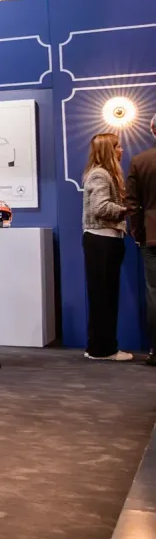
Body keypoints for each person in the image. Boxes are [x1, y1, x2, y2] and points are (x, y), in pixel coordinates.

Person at [82, 133, 132, 361]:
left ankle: (98, 347)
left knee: (103, 296)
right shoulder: (100, 175)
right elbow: (100, 208)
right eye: (118, 146)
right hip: (102, 241)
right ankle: (104, 350)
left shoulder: (100, 174)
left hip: (103, 241)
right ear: (108, 150)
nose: (122, 150)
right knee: (104, 297)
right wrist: (126, 210)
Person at [127, 115, 156, 367]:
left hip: (152, 236)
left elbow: (133, 204)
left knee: (154, 293)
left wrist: (137, 232)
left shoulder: (140, 161)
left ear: (152, 129)